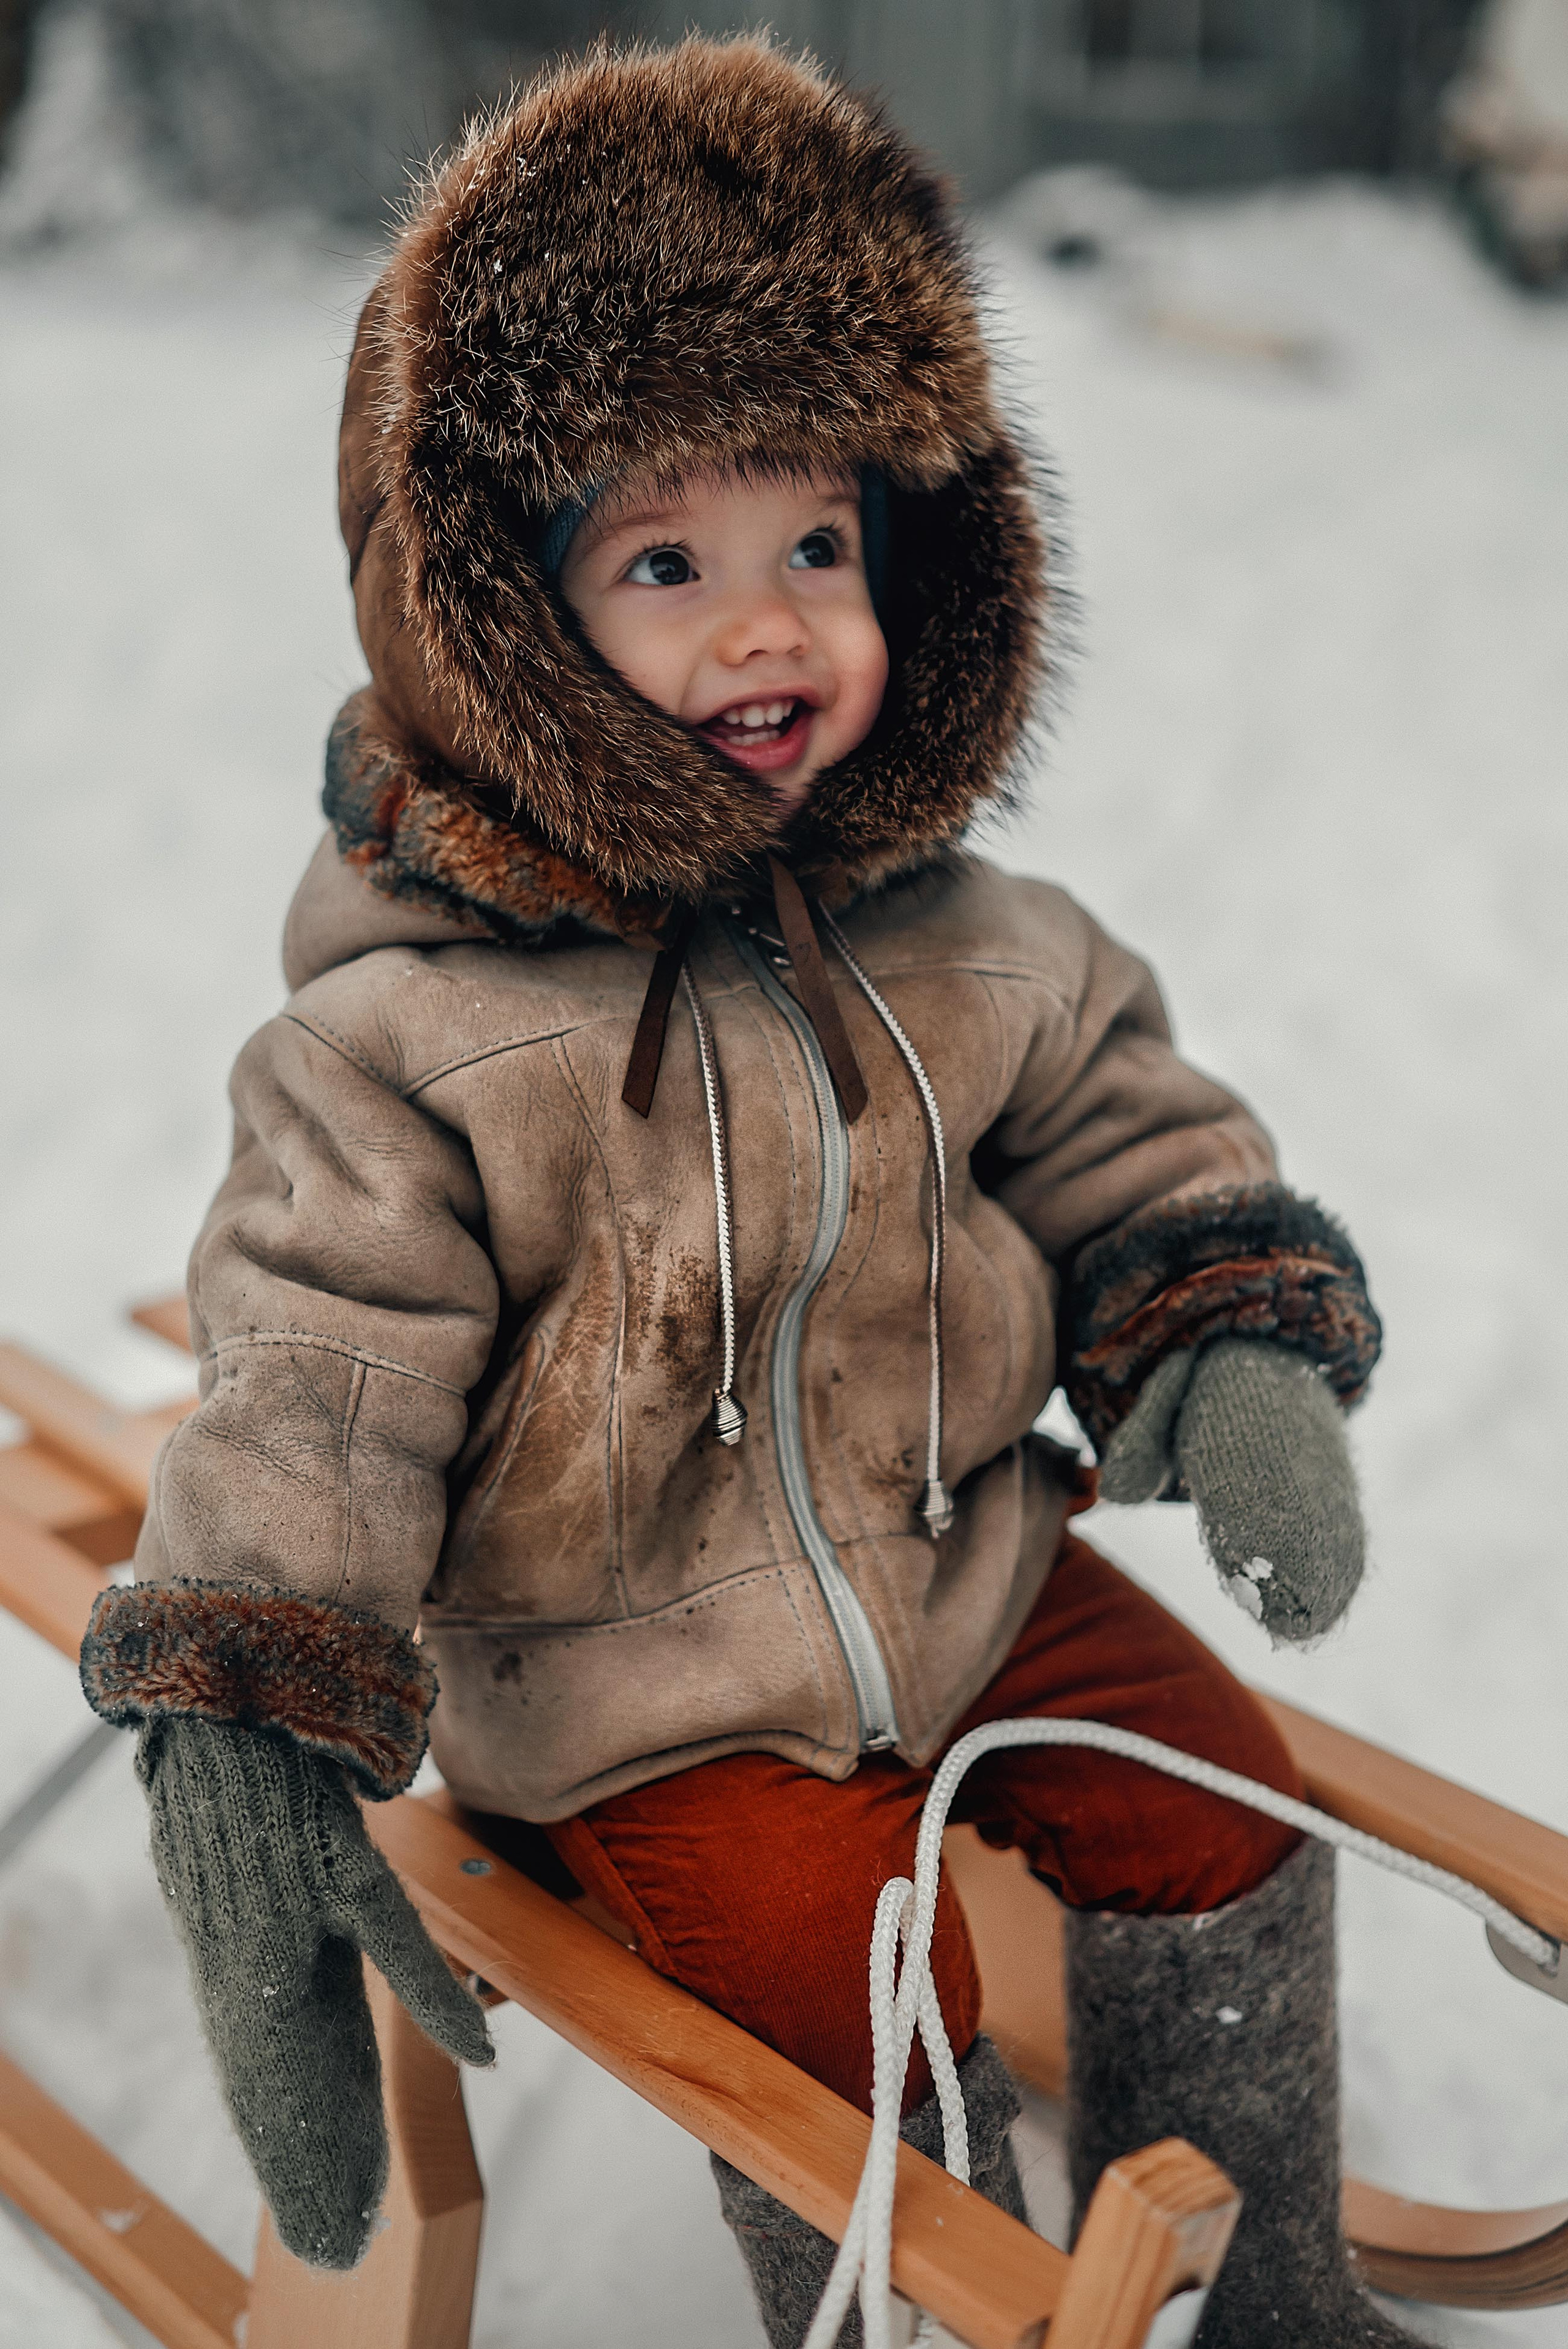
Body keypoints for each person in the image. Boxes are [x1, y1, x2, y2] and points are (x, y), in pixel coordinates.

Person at [80, 37, 1412, 2348]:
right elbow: (321, 1373)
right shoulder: (405, 1043)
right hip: (627, 1686)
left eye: (818, 545)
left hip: (969, 1568)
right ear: (503, 619)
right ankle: (923, 2313)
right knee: (842, 1990)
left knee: (1227, 1819)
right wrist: (252, 1728)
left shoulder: (967, 933)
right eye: (666, 562)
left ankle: (1280, 2292)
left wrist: (1221, 1325)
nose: (769, 623)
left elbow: (1123, 1113)